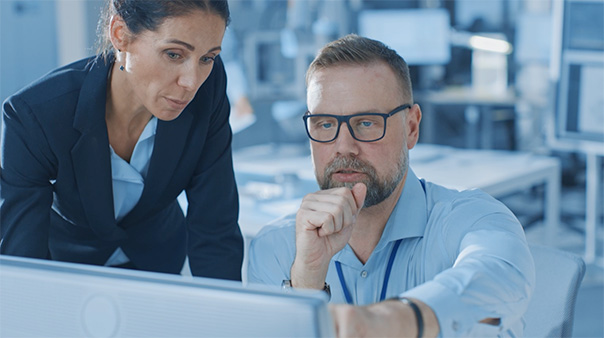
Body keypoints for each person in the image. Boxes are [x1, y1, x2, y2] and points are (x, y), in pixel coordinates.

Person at [247, 34, 535, 337]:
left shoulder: (472, 219)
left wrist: (391, 320)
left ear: (411, 127)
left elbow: (499, 275)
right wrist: (306, 283)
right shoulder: (277, 248)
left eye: (367, 122)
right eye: (326, 124)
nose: (344, 147)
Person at [1, 0, 243, 280]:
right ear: (120, 34)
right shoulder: (35, 116)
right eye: (174, 54)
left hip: (159, 261)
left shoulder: (208, 90)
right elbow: (21, 261)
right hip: (69, 268)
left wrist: (226, 318)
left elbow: (215, 228)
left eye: (207, 58)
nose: (191, 81)